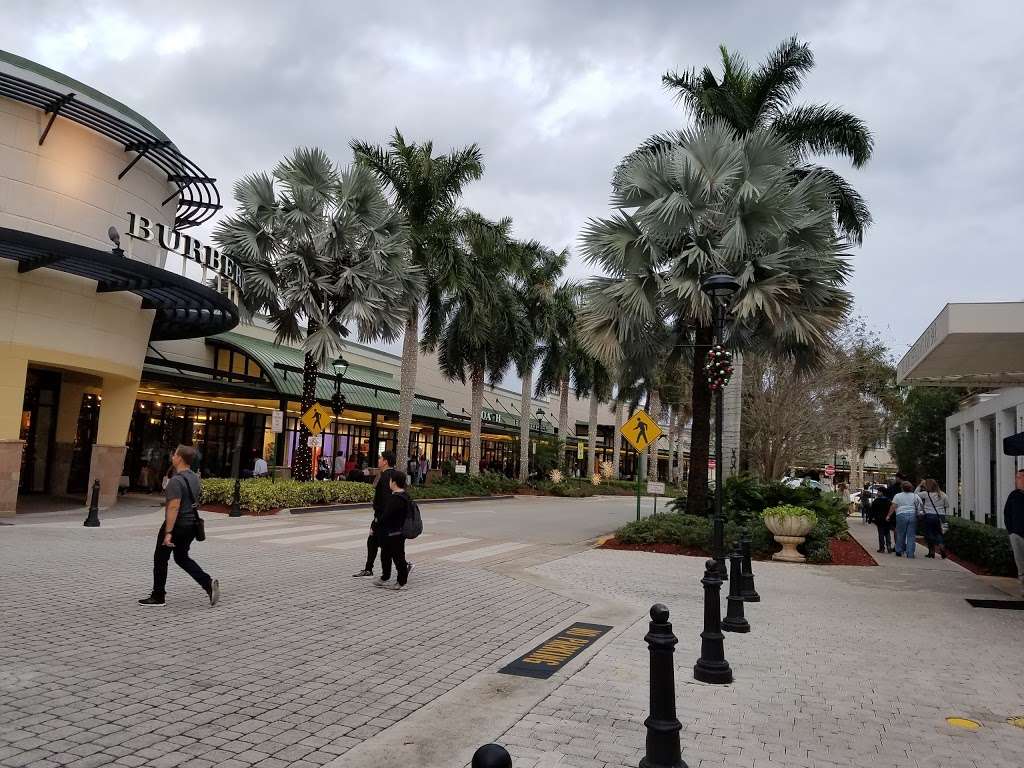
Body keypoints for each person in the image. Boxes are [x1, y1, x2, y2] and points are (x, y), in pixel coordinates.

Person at [139, 444, 219, 607]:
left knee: (160, 558)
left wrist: (168, 532)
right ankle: (207, 583)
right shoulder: (195, 478)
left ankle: (158, 596)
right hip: (190, 525)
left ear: (180, 458)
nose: (172, 457)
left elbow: (173, 507)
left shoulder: (176, 481)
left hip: (176, 525)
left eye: (174, 454)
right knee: (181, 557)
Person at [352, 452, 395, 578]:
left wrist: (379, 518)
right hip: (385, 517)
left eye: (381, 458)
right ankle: (368, 568)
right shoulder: (392, 474)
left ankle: (404, 564)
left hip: (383, 518)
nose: (379, 460)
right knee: (373, 541)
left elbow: (385, 499)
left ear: (385, 461)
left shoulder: (386, 476)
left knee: (385, 544)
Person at [373, 469, 414, 590]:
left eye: (390, 481)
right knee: (387, 555)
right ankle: (385, 577)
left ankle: (401, 581)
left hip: (393, 532)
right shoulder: (405, 496)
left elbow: (386, 516)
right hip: (397, 532)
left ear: (394, 482)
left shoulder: (396, 499)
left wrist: (376, 524)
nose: (389, 483)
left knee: (398, 557)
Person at [888, 480, 921, 558]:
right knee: (911, 535)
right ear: (911, 488)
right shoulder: (915, 496)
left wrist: (888, 515)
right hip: (912, 515)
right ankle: (910, 553)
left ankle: (899, 550)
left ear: (902, 488)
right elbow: (920, 506)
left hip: (901, 514)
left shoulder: (898, 496)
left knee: (900, 533)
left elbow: (893, 506)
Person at [917, 478, 949, 559]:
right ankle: (941, 545)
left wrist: (920, 485)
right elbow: (946, 506)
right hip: (941, 516)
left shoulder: (925, 494)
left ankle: (931, 552)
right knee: (939, 533)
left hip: (929, 515)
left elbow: (915, 494)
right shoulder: (943, 494)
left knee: (929, 533)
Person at [1004, 469, 1024, 595]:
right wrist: (1011, 531)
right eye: (1016, 477)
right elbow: (1007, 513)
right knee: (1020, 564)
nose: (1017, 480)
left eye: (1019, 477)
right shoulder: (1014, 495)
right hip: (1016, 534)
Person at [868, 488, 893, 553]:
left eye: (879, 492)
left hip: (879, 519)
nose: (877, 493)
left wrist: (870, 519)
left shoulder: (876, 501)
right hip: (887, 519)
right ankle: (889, 546)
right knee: (887, 533)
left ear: (882, 492)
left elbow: (872, 510)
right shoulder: (888, 501)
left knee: (881, 533)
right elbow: (891, 510)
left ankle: (882, 548)